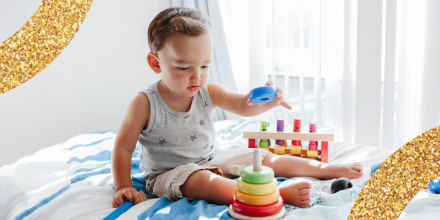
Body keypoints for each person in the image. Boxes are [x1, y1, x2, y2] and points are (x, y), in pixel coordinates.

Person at [111, 7, 363, 209]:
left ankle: (325, 169)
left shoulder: (208, 92)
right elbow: (123, 147)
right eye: (184, 68)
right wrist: (123, 185)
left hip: (211, 157)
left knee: (263, 158)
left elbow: (243, 106)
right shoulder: (145, 103)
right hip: (171, 173)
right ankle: (271, 195)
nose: (196, 77)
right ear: (156, 63)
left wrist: (267, 102)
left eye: (205, 66)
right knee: (204, 181)